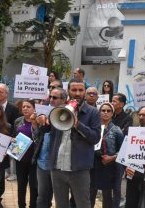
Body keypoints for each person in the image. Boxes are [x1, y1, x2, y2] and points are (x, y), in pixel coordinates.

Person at [48, 78, 101, 208]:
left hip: (79, 169)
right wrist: (38, 122)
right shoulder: (58, 109)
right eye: (74, 90)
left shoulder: (92, 112)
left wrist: (78, 125)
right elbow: (47, 131)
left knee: (83, 204)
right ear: (68, 91)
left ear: (85, 92)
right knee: (61, 204)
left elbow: (95, 138)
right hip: (58, 167)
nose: (77, 93)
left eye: (81, 90)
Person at [32, 87, 68, 208]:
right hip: (42, 162)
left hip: (58, 163)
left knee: (60, 197)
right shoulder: (44, 111)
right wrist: (37, 123)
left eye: (55, 97)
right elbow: (37, 136)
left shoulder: (68, 115)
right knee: (42, 196)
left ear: (63, 100)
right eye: (50, 97)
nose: (51, 99)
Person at [90, 103, 124, 208]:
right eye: (103, 110)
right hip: (93, 165)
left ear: (112, 113)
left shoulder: (116, 130)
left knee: (107, 195)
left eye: (108, 111)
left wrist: (112, 158)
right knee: (90, 193)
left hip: (109, 167)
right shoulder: (93, 128)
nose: (105, 113)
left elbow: (123, 150)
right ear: (99, 112)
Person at [0, 83, 20, 205]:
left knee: (0, 174)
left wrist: (12, 144)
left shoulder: (13, 108)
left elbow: (16, 127)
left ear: (7, 94)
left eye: (1, 92)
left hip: (5, 146)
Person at [125, 106, 145, 208]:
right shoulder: (133, 131)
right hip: (133, 175)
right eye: (140, 114)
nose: (141, 117)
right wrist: (127, 167)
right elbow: (125, 154)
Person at [13, 100, 38, 208]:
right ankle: (21, 205)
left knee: (34, 187)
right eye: (23, 107)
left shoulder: (39, 121)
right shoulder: (18, 121)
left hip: (34, 160)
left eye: (28, 106)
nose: (25, 109)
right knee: (21, 185)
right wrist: (13, 140)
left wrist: (34, 124)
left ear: (34, 109)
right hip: (20, 159)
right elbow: (14, 135)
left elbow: (40, 138)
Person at [112, 93, 133, 207]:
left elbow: (124, 135)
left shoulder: (127, 118)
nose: (112, 103)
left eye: (114, 101)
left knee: (117, 184)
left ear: (122, 104)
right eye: (112, 100)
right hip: (106, 153)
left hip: (119, 154)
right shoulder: (109, 114)